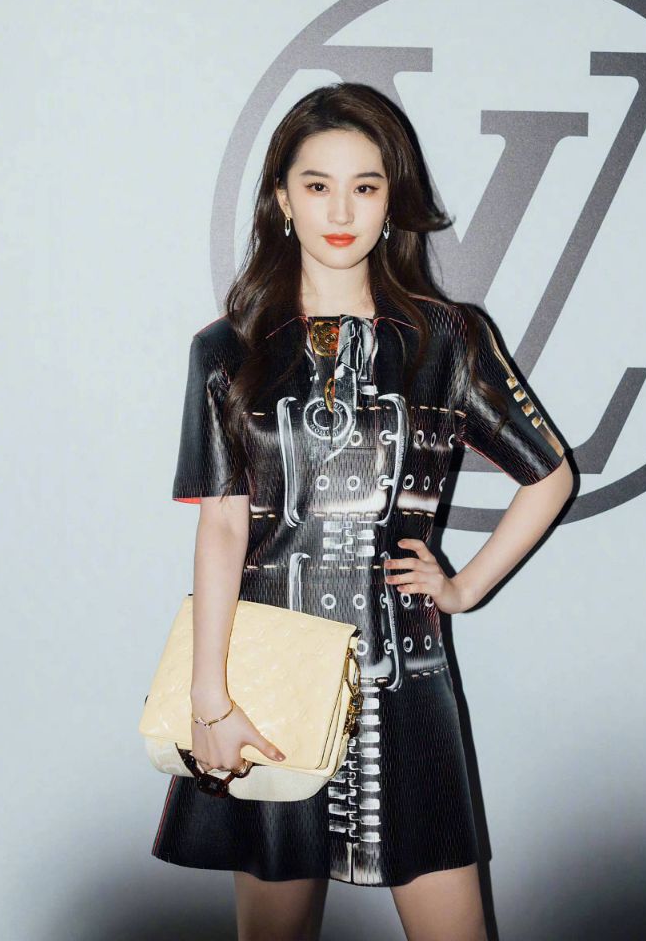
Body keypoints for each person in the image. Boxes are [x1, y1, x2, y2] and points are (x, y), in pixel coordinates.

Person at [151, 82, 574, 941]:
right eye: (317, 185)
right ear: (282, 199)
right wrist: (209, 698)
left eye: (365, 186)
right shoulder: (225, 350)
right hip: (265, 675)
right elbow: (223, 527)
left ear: (392, 201)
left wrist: (463, 588)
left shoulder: (448, 338)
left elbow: (550, 475)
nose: (340, 211)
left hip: (406, 677)